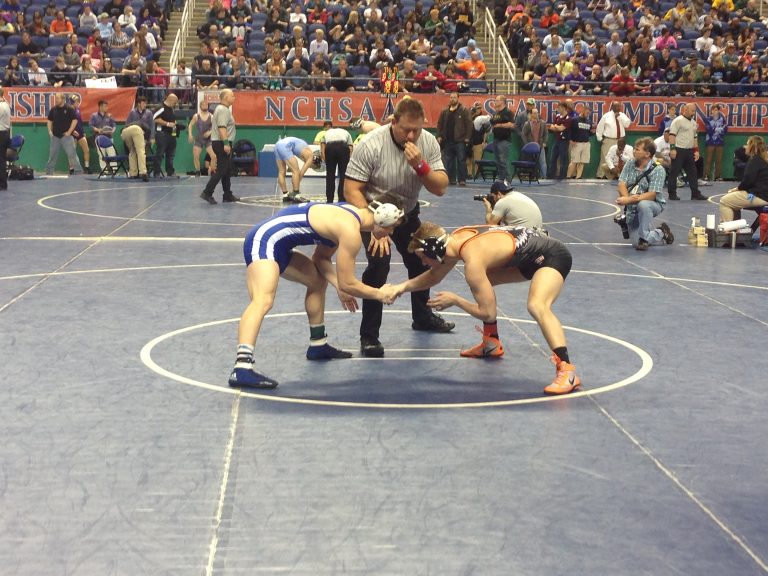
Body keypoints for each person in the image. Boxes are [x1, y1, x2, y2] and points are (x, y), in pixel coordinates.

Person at [228, 197, 405, 389]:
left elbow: (321, 258)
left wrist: (339, 285)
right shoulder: (349, 230)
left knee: (318, 281)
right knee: (263, 300)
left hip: (279, 244)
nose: (391, 232)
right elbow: (348, 283)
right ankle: (242, 367)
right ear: (382, 219)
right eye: (392, 227)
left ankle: (318, 344)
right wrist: (380, 294)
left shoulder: (349, 216)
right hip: (264, 240)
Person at [387, 222, 580, 395]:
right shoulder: (456, 239)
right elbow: (434, 276)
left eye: (423, 257)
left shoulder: (473, 259)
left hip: (552, 255)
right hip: (528, 255)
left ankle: (567, 371)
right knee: (482, 283)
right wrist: (400, 288)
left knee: (537, 305)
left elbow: (487, 313)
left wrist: (456, 300)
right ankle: (491, 343)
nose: (423, 263)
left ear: (433, 250)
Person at [344, 97, 454, 358]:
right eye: (406, 130)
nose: (412, 136)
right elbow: (351, 190)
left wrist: (420, 166)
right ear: (393, 122)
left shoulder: (427, 142)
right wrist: (375, 224)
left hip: (406, 211)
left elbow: (440, 187)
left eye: (417, 130)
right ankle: (369, 336)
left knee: (421, 260)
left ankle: (422, 317)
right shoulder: (371, 144)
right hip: (373, 210)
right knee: (379, 264)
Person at [617, 136, 675, 251]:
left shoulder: (658, 170)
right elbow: (621, 183)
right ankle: (661, 232)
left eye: (637, 149)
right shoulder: (630, 163)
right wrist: (626, 198)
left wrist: (629, 200)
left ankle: (644, 238)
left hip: (653, 204)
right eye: (634, 148)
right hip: (632, 206)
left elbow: (652, 195)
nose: (634, 151)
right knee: (635, 243)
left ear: (647, 154)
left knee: (643, 204)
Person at [200, 89, 240, 204]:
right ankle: (207, 192)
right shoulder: (222, 110)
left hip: (220, 142)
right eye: (232, 96)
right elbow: (222, 127)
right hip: (221, 142)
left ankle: (227, 194)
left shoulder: (223, 109)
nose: (234, 98)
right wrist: (226, 143)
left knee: (226, 170)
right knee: (221, 170)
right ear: (226, 98)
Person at [719, 135, 768, 223]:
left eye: (747, 144)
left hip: (760, 196)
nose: (745, 147)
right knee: (733, 201)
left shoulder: (755, 160)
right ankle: (736, 228)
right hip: (762, 194)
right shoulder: (762, 159)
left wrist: (737, 189)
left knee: (724, 201)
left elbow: (747, 181)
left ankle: (728, 229)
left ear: (752, 147)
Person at [668, 102, 707, 201]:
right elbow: (672, 135)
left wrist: (696, 151)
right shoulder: (678, 121)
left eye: (694, 111)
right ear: (685, 110)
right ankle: (672, 194)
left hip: (689, 151)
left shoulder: (693, 123)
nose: (693, 113)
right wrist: (672, 149)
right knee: (674, 172)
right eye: (692, 111)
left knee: (693, 172)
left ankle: (695, 194)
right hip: (679, 150)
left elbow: (695, 137)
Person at [437, 92, 473, 186]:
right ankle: (451, 179)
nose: (452, 99)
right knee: (449, 162)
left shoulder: (464, 110)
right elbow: (440, 124)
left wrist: (467, 137)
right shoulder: (445, 111)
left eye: (454, 97)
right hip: (448, 140)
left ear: (458, 98)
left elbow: (469, 124)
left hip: (460, 140)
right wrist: (439, 136)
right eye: (451, 97)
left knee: (461, 161)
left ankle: (462, 180)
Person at [46, 93, 82, 176]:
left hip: (67, 137)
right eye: (56, 98)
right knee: (52, 155)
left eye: (58, 98)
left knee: (72, 155)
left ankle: (78, 171)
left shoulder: (69, 109)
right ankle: (49, 171)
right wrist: (50, 131)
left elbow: (75, 120)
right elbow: (49, 120)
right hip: (55, 137)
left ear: (62, 99)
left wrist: (69, 132)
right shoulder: (53, 109)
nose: (56, 100)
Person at [595, 101, 630, 179]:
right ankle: (601, 175)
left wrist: (619, 117)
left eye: (619, 106)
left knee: (619, 158)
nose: (618, 108)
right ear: (612, 107)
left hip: (620, 140)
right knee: (605, 158)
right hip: (609, 139)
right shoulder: (606, 116)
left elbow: (627, 125)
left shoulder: (623, 115)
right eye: (616, 106)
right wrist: (599, 138)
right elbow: (600, 127)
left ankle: (617, 176)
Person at [320, 124, 353, 203]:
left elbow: (322, 145)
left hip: (330, 148)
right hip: (343, 148)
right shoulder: (346, 132)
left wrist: (324, 156)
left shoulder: (327, 132)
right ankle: (342, 199)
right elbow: (350, 147)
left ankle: (329, 199)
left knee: (330, 175)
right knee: (343, 175)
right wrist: (349, 158)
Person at [274, 136, 314, 203]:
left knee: (281, 172)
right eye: (313, 166)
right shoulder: (311, 156)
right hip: (285, 146)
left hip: (277, 145)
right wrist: (295, 186)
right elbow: (301, 173)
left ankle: (285, 195)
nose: (310, 167)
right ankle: (296, 195)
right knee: (296, 171)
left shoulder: (305, 149)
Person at [152, 93, 179, 178]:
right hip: (162, 134)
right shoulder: (161, 107)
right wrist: (167, 124)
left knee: (170, 155)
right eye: (175, 102)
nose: (175, 104)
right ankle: (156, 172)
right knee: (160, 154)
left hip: (171, 135)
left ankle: (170, 172)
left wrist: (174, 124)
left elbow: (171, 120)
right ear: (171, 100)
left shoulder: (171, 109)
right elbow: (155, 119)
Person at [490, 95, 514, 180]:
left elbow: (511, 125)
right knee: (498, 161)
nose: (495, 102)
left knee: (503, 161)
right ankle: (501, 179)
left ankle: (507, 179)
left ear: (502, 102)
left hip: (504, 140)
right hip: (496, 139)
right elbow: (492, 123)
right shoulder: (496, 113)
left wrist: (499, 125)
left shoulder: (508, 112)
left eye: (497, 100)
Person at [702, 104, 727, 182]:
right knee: (708, 159)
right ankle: (706, 175)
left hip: (720, 141)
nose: (714, 111)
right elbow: (709, 130)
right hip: (710, 141)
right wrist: (718, 129)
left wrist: (719, 130)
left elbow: (725, 130)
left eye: (716, 110)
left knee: (719, 160)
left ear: (719, 111)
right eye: (712, 110)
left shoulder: (722, 119)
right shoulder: (707, 119)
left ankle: (718, 176)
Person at [188, 100, 213, 177]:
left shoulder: (211, 116)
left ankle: (213, 170)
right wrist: (190, 134)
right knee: (196, 156)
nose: (205, 106)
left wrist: (210, 132)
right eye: (203, 104)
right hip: (199, 139)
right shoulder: (196, 116)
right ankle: (198, 171)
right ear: (200, 106)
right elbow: (190, 125)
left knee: (213, 156)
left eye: (206, 104)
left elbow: (216, 127)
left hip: (208, 139)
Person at [567, 105, 592, 179]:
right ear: (583, 110)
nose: (587, 115)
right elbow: (569, 130)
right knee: (574, 161)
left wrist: (592, 132)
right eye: (587, 113)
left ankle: (578, 177)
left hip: (586, 143)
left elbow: (589, 133)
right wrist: (570, 140)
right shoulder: (574, 120)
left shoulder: (589, 122)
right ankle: (568, 176)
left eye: (589, 114)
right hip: (577, 143)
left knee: (582, 162)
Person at [522, 107, 548, 178]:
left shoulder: (542, 123)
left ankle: (543, 177)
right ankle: (532, 176)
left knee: (542, 162)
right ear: (531, 114)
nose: (536, 114)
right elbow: (523, 134)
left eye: (537, 113)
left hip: (540, 146)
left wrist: (544, 142)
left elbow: (546, 133)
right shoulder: (527, 124)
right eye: (534, 113)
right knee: (531, 161)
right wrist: (527, 144)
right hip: (531, 146)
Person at [68, 94, 90, 175]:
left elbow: (80, 122)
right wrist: (72, 131)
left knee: (86, 149)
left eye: (78, 101)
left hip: (80, 133)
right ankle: (71, 169)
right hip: (72, 134)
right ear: (72, 102)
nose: (78, 103)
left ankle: (87, 167)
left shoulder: (77, 110)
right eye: (76, 101)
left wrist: (83, 132)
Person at [0, 87, 10, 191]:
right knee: (2, 159)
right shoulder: (6, 104)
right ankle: (3, 183)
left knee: (1, 160)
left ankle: (2, 183)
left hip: (1, 133)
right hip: (5, 133)